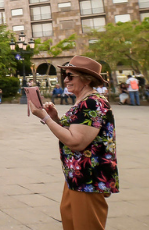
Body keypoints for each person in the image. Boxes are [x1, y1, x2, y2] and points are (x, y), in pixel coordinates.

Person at [28, 55, 118, 230]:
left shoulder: (92, 103)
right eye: (65, 76)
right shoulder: (84, 102)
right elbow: (75, 133)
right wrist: (56, 119)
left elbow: (76, 142)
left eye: (70, 76)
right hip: (77, 176)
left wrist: (45, 118)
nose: (66, 80)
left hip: (88, 178)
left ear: (86, 79)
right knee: (71, 220)